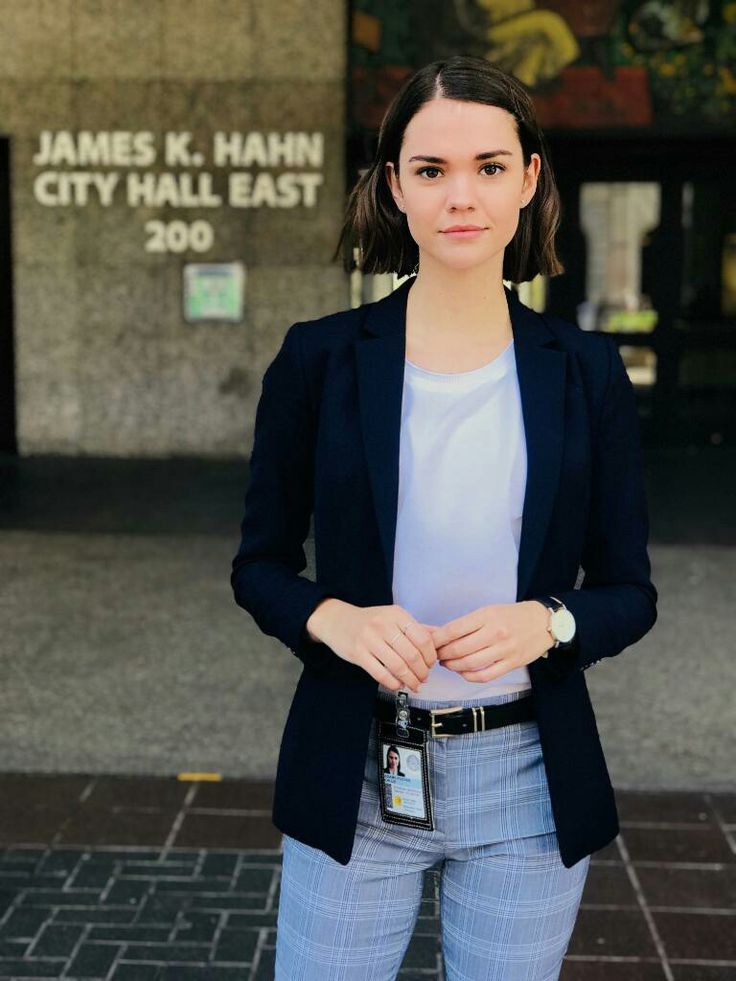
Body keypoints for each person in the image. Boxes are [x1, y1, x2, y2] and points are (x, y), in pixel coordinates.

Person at [230, 54, 658, 980]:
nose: (461, 195)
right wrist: (331, 617)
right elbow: (258, 565)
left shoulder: (585, 371)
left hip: (526, 780)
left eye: (489, 166)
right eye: (431, 170)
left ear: (529, 178)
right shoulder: (321, 359)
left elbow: (630, 592)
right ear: (394, 186)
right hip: (357, 766)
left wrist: (547, 621)